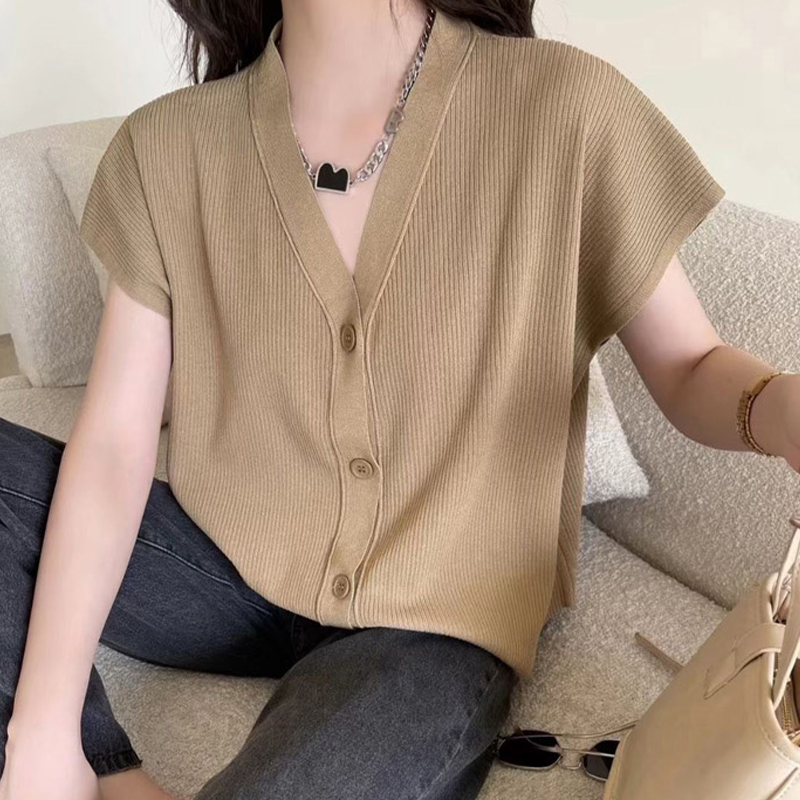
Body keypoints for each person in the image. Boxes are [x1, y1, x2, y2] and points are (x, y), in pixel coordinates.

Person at [2, 1, 799, 799]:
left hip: (432, 623)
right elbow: (114, 445)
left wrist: (778, 406)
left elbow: (691, 365)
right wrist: (49, 731)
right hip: (218, 570)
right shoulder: (167, 147)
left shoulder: (565, 106)